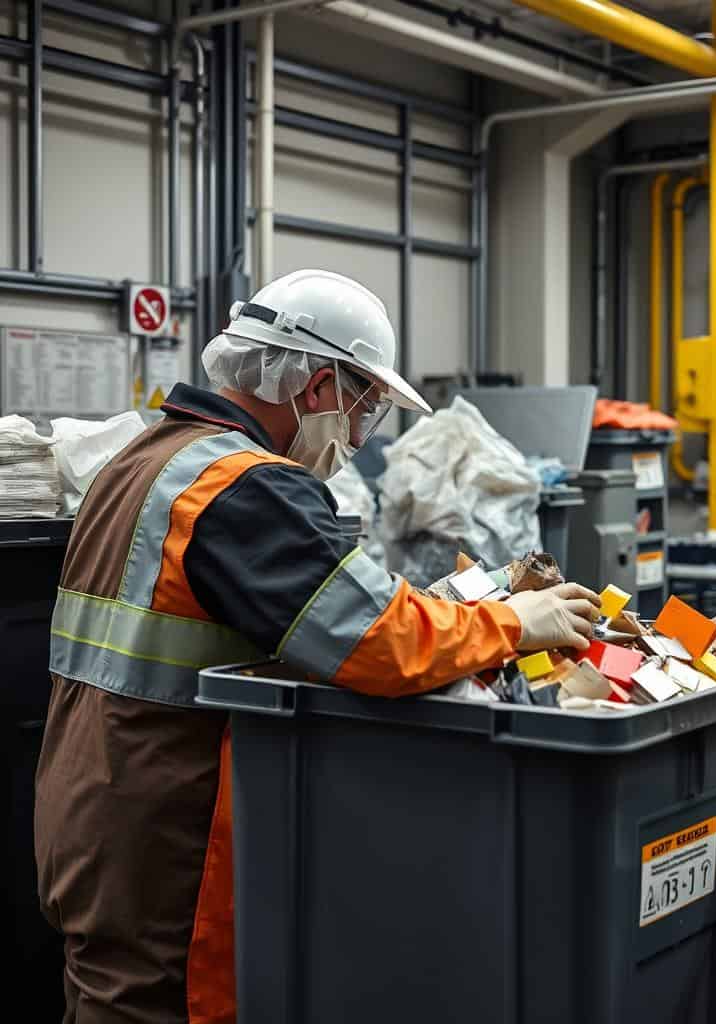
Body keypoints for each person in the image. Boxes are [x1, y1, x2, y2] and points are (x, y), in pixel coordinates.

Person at [35, 269, 600, 1024]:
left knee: (106, 993)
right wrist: (517, 622)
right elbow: (379, 642)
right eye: (364, 406)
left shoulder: (144, 457)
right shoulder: (245, 487)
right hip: (166, 823)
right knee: (153, 1005)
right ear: (317, 384)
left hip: (91, 799)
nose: (361, 436)